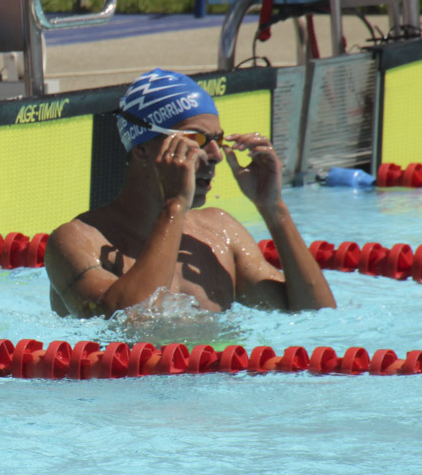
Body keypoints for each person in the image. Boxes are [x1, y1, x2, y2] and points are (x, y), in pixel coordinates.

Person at [45, 68, 337, 319]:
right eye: (196, 139)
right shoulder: (77, 241)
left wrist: (274, 210)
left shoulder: (219, 234)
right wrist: (173, 206)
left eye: (218, 140)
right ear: (142, 149)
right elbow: (129, 326)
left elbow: (315, 316)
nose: (215, 155)